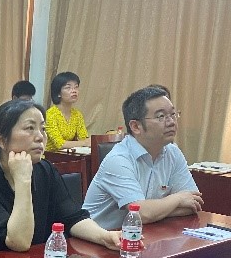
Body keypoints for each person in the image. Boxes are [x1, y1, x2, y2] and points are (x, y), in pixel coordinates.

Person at [0, 99, 120, 258]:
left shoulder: (45, 170)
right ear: (1, 140)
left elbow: (72, 218)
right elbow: (19, 242)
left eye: (42, 129)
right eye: (30, 128)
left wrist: (104, 237)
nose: (40, 137)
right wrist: (23, 180)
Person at [82, 85, 203, 230]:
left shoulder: (173, 153)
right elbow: (141, 213)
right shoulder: (118, 160)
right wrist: (177, 199)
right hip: (100, 238)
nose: (171, 122)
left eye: (172, 114)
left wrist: (155, 212)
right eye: (161, 116)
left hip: (142, 233)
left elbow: (193, 203)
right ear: (136, 126)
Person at [45, 71, 88, 151]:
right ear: (58, 93)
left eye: (76, 87)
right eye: (68, 88)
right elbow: (60, 144)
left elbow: (83, 138)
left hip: (69, 155)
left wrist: (85, 142)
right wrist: (84, 143)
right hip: (50, 155)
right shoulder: (50, 115)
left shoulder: (77, 114)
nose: (74, 91)